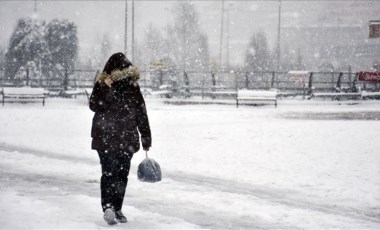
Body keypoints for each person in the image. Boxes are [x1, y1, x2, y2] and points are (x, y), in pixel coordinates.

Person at [89, 52, 151, 225]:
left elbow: (95, 105)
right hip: (124, 138)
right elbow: (141, 113)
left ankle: (110, 206)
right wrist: (146, 137)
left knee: (109, 173)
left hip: (108, 137)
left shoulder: (111, 84)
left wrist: (104, 88)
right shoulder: (129, 85)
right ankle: (115, 208)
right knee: (120, 175)